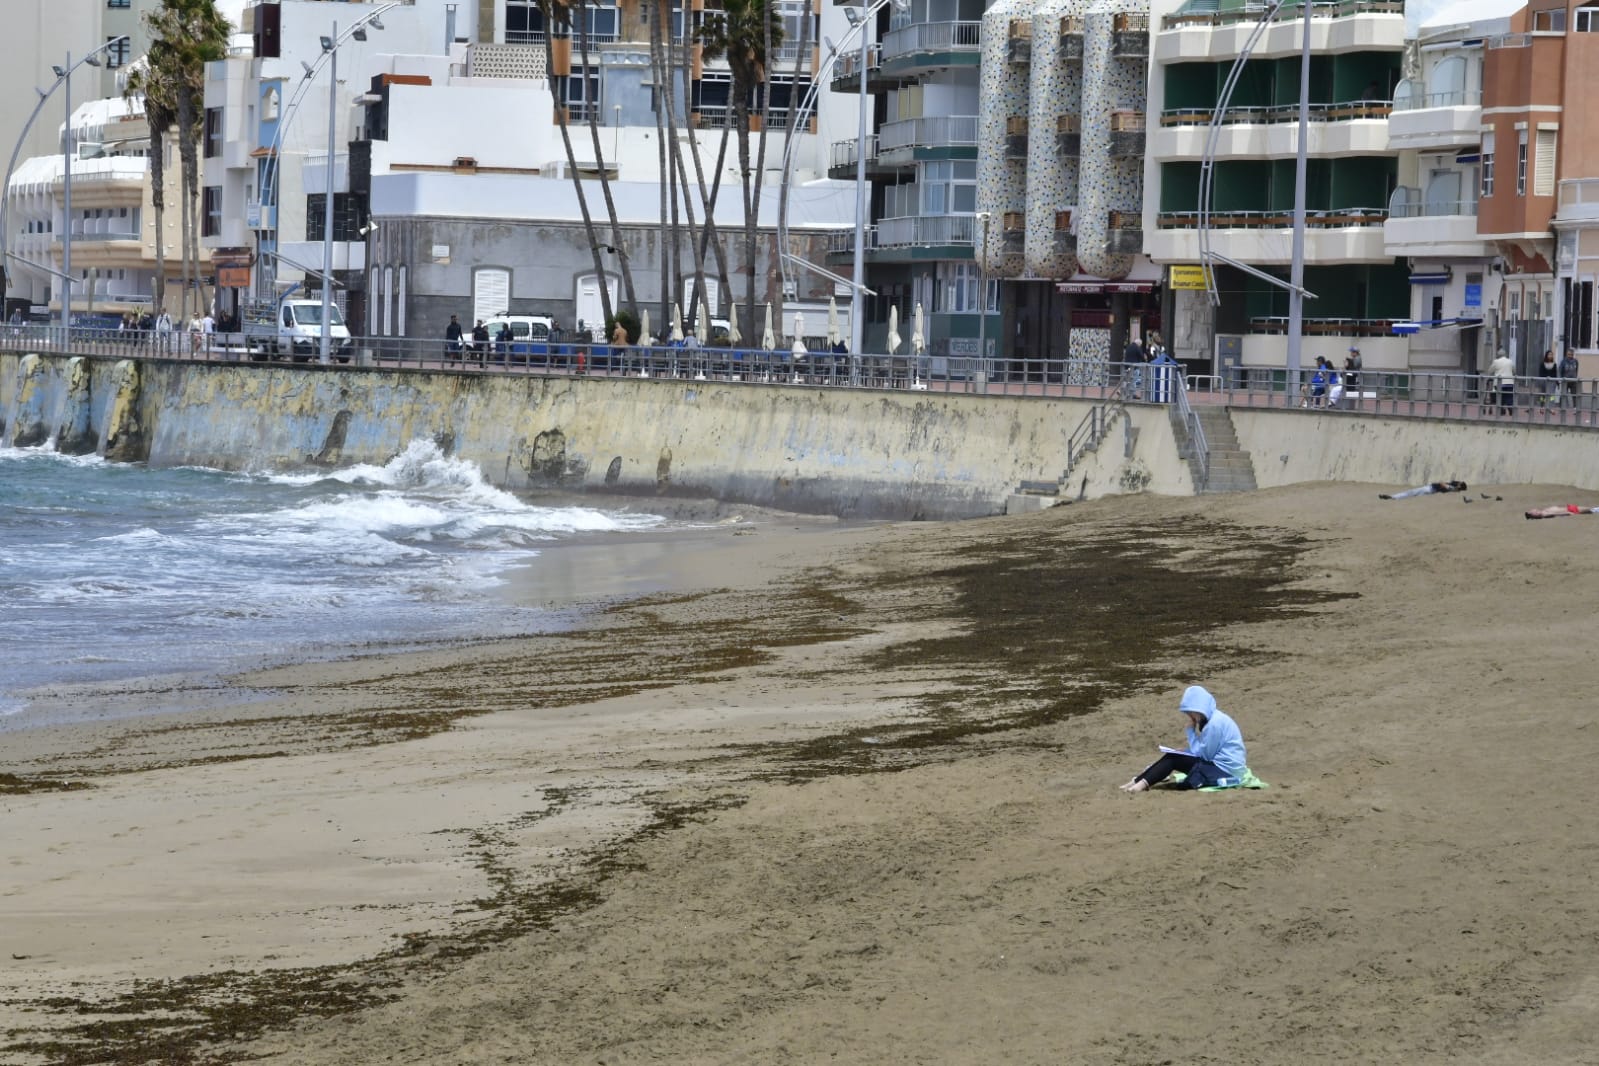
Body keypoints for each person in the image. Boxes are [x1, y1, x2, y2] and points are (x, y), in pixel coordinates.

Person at [1120, 685, 1248, 793]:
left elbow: (1205, 755)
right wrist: (1187, 751)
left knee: (1173, 758)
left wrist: (1190, 732)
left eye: (1189, 712)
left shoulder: (1214, 724)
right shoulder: (1213, 719)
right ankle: (1138, 781)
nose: (1189, 715)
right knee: (1174, 755)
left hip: (1226, 772)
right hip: (1225, 767)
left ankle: (1139, 784)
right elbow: (1206, 751)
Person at [1488, 349, 1516, 415]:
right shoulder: (1510, 361)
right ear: (1505, 355)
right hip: (1509, 383)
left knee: (1500, 396)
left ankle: (1502, 409)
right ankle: (1510, 407)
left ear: (1498, 355)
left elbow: (1490, 371)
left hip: (1499, 383)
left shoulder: (1496, 361)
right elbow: (1514, 371)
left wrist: (1492, 375)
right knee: (1509, 396)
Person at [1378, 480, 1468, 500]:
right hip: (1430, 490)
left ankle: (1393, 497)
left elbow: (1442, 484)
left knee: (1411, 492)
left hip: (1429, 489)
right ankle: (1393, 497)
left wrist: (1447, 485)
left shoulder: (1452, 487)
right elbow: (1457, 489)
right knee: (1411, 493)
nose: (1458, 481)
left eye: (1460, 483)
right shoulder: (1454, 488)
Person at [1525, 504, 1599, 520]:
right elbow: (1556, 514)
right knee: (1590, 509)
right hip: (1570, 510)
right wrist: (1567, 513)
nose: (1532, 509)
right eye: (1531, 511)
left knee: (1591, 511)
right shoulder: (1544, 514)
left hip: (1569, 509)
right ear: (1534, 514)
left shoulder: (1543, 512)